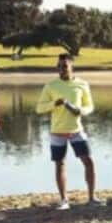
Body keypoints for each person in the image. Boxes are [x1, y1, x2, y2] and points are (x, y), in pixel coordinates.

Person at [35, 54, 103, 209]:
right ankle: (64, 200)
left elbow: (89, 107)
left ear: (71, 67)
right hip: (57, 131)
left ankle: (92, 198)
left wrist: (80, 111)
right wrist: (55, 103)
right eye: (58, 66)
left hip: (76, 130)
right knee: (60, 164)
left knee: (89, 161)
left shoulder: (82, 84)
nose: (61, 69)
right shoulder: (51, 86)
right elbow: (39, 108)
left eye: (64, 66)